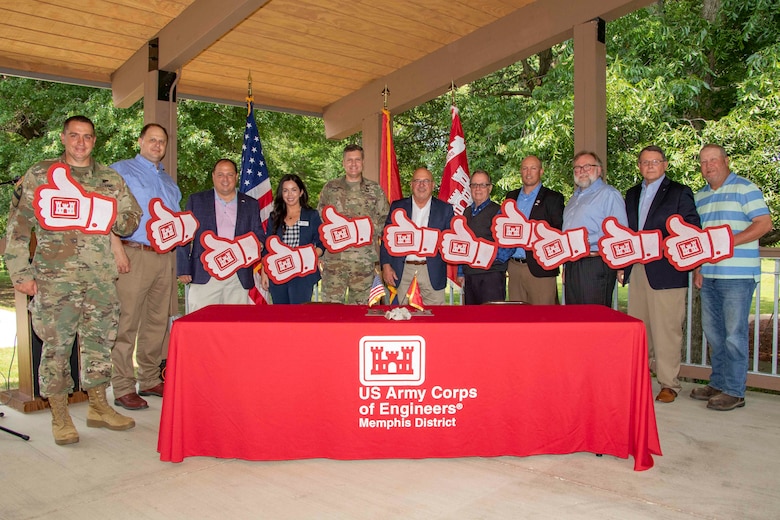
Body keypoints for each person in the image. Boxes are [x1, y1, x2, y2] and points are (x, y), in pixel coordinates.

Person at [4, 115, 142, 445]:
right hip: (55, 280)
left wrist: (112, 216)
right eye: (75, 136)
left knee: (99, 345)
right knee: (56, 348)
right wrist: (20, 274)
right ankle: (60, 414)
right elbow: (18, 228)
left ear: (95, 141)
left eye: (88, 137)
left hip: (98, 279)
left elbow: (131, 219)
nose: (81, 143)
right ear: (64, 138)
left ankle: (98, 406)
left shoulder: (110, 179)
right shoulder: (41, 175)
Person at [690, 144, 772, 411]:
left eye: (713, 160)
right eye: (703, 162)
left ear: (726, 161)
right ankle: (718, 382)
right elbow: (702, 239)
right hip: (710, 275)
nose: (708, 166)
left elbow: (764, 224)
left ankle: (735, 391)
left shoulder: (745, 188)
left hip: (737, 275)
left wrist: (727, 243)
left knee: (734, 335)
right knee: (714, 334)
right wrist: (699, 267)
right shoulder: (700, 196)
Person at [108, 123, 181, 411]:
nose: (156, 145)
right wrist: (116, 249)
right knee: (127, 322)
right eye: (152, 140)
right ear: (140, 141)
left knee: (157, 321)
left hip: (164, 257)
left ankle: (149, 378)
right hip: (133, 253)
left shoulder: (169, 181)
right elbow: (106, 210)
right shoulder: (120, 170)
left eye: (161, 141)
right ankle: (123, 386)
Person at [620, 145, 701, 403]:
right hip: (638, 268)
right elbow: (626, 232)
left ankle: (669, 383)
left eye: (655, 161)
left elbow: (691, 227)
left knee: (667, 329)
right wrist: (623, 263)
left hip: (667, 271)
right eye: (645, 162)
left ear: (665, 164)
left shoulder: (679, 192)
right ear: (639, 166)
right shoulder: (631, 194)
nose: (650, 166)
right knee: (640, 328)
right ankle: (640, 377)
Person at [177, 158, 264, 312]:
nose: (225, 179)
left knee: (235, 326)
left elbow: (258, 235)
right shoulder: (196, 200)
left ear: (236, 177)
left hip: (238, 276)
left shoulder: (250, 204)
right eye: (220, 175)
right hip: (205, 274)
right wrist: (183, 268)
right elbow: (184, 236)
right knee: (200, 325)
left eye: (229, 175)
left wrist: (257, 246)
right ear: (213, 176)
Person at [317, 144, 389, 304]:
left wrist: (366, 230)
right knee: (331, 311)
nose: (353, 164)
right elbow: (321, 218)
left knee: (360, 312)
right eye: (349, 160)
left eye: (357, 159)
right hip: (335, 262)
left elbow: (385, 217)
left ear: (363, 162)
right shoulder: (330, 188)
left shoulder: (375, 189)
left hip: (363, 262)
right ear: (343, 163)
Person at [562, 151, 628, 306]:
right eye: (577, 168)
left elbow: (620, 232)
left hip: (595, 263)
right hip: (573, 264)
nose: (582, 171)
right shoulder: (573, 199)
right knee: (575, 319)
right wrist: (566, 266)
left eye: (587, 166)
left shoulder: (609, 194)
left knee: (595, 320)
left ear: (599, 170)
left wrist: (621, 267)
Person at [380, 167, 454, 305]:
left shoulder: (445, 210)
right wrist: (386, 265)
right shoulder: (398, 207)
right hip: (402, 270)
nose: (421, 185)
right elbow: (386, 239)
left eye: (426, 181)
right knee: (400, 317)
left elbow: (449, 242)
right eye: (417, 181)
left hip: (432, 271)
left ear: (433, 185)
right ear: (411, 185)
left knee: (435, 319)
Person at [504, 155, 565, 304]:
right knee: (517, 321)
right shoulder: (510, 197)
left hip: (540, 269)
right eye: (525, 168)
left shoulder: (553, 198)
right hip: (514, 267)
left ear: (541, 171)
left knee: (543, 320)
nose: (528, 172)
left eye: (533, 168)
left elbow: (559, 233)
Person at [260, 174, 323, 303]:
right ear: (281, 194)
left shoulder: (312, 215)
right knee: (280, 317)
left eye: (294, 190)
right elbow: (268, 247)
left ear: (301, 192)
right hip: (278, 272)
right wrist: (264, 271)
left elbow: (322, 242)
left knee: (300, 317)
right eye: (285, 190)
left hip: (303, 275)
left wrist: (310, 255)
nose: (290, 194)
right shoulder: (274, 217)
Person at [457, 170, 512, 304]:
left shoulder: (500, 212)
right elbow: (462, 242)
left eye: (482, 185)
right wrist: (460, 271)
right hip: (470, 275)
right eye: (474, 185)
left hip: (491, 276)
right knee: (471, 320)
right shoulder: (467, 212)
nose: (478, 189)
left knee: (492, 319)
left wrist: (488, 256)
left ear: (490, 188)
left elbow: (509, 246)